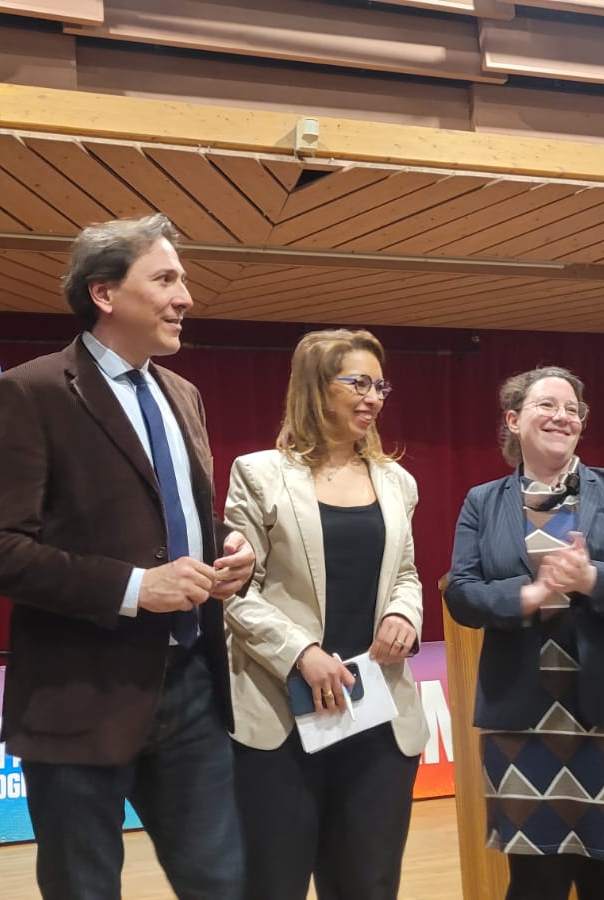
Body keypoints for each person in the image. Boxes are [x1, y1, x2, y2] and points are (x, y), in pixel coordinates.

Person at [0, 213, 256, 900]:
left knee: (224, 885)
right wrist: (134, 587)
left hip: (191, 687)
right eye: (166, 279)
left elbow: (164, 518)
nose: (185, 296)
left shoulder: (182, 394)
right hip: (78, 699)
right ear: (104, 294)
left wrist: (227, 549)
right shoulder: (29, 392)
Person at [223, 328, 428, 900]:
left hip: (377, 721)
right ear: (316, 387)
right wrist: (300, 654)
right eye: (357, 383)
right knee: (272, 884)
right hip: (281, 720)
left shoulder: (397, 481)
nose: (373, 397)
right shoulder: (258, 473)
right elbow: (235, 590)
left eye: (379, 385)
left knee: (368, 885)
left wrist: (404, 617)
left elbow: (406, 575)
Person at [445, 366, 604, 900]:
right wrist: (527, 595)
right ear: (514, 420)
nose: (562, 416)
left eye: (572, 410)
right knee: (533, 877)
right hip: (522, 713)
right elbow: (461, 592)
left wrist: (594, 578)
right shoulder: (482, 500)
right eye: (547, 405)